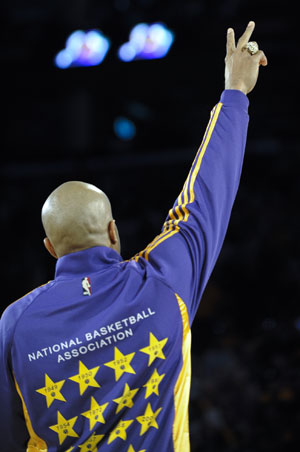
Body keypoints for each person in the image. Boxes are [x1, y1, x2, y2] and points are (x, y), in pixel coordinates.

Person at [0, 21, 267, 452]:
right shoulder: (162, 283)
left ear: (50, 248)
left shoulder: (15, 323)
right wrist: (235, 91)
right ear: (113, 231)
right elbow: (206, 196)